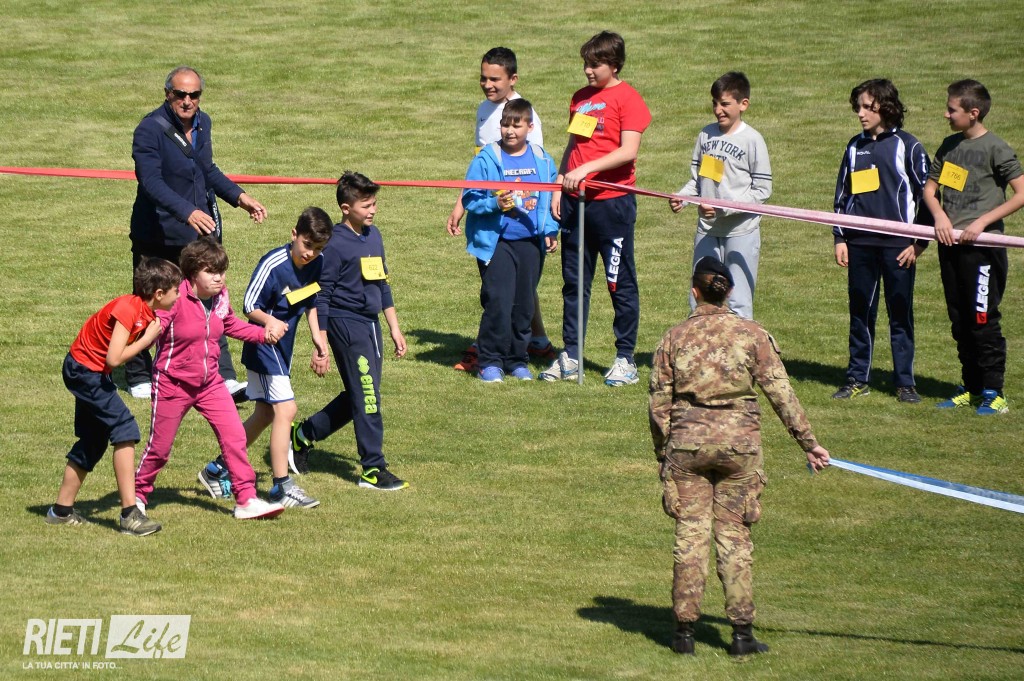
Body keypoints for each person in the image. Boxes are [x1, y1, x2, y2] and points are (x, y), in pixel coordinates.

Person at [648, 257, 830, 656]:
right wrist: (809, 443)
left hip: (687, 448)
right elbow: (781, 392)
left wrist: (664, 453)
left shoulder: (674, 338)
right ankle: (742, 634)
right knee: (734, 537)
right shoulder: (752, 335)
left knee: (690, 536)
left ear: (694, 291)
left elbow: (659, 405)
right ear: (729, 291)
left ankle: (684, 633)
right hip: (740, 448)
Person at [127, 65, 268, 401]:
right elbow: (151, 182)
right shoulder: (149, 130)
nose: (187, 101)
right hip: (156, 233)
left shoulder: (203, 123)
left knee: (210, 298)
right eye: (180, 94)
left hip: (196, 233)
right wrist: (187, 211)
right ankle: (138, 375)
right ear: (168, 94)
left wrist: (240, 197)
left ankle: (222, 375)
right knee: (148, 303)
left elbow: (207, 170)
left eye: (194, 95)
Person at [134, 237, 285, 521]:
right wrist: (131, 343)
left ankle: (246, 499)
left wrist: (263, 334)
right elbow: (153, 327)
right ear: (193, 273)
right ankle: (136, 497)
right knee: (159, 449)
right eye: (211, 272)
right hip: (172, 384)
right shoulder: (174, 298)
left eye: (222, 271)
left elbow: (228, 324)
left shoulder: (220, 296)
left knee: (235, 437)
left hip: (210, 383)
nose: (219, 278)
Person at [198, 208, 333, 508]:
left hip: (282, 349)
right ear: (294, 235)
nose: (310, 253)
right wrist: (269, 322)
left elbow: (311, 299)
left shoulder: (318, 262)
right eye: (307, 245)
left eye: (318, 248)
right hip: (262, 344)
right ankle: (281, 486)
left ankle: (217, 468)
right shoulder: (274, 264)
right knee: (287, 409)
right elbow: (248, 304)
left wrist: (318, 337)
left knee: (265, 414)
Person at [541, 31, 652, 386]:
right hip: (575, 203)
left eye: (595, 65)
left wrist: (586, 171)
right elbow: (574, 145)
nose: (588, 70)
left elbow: (628, 151)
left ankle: (625, 359)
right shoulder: (580, 98)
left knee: (618, 281)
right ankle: (571, 355)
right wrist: (559, 183)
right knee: (574, 282)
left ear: (614, 65)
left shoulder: (629, 99)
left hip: (612, 205)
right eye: (586, 64)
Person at [288, 173, 409, 490]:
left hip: (371, 324)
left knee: (363, 394)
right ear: (346, 208)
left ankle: (303, 434)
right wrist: (321, 342)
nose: (373, 210)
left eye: (374, 204)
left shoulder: (374, 236)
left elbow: (382, 284)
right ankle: (372, 468)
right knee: (367, 396)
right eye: (366, 205)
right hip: (346, 323)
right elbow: (322, 296)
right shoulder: (335, 245)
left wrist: (394, 327)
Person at [46, 258, 182, 536]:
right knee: (125, 429)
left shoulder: (147, 313)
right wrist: (146, 340)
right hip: (84, 371)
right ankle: (130, 514)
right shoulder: (128, 309)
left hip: (92, 372)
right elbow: (115, 358)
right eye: (176, 290)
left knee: (94, 440)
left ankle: (60, 511)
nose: (179, 295)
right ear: (159, 294)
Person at [446, 47, 555, 373]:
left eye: (495, 79)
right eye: (483, 78)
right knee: (498, 294)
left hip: (526, 227)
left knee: (521, 295)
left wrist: (548, 226)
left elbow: (539, 177)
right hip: (494, 223)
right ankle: (495, 352)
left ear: (513, 79)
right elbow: (479, 169)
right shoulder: (484, 110)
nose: (487, 84)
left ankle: (528, 345)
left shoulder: (526, 116)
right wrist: (461, 203)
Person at [921, 79, 1024, 415]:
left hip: (983, 250)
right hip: (950, 246)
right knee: (959, 319)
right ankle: (972, 387)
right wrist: (939, 216)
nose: (946, 114)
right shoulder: (949, 146)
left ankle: (995, 391)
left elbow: (1021, 193)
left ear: (973, 112)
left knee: (982, 317)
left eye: (952, 110)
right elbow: (929, 190)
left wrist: (981, 223)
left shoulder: (996, 148)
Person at [830, 79, 931, 404]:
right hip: (860, 243)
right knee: (861, 312)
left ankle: (905, 383)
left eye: (867, 107)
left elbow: (929, 197)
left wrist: (919, 243)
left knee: (900, 313)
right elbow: (842, 195)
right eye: (858, 107)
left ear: (885, 108)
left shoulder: (909, 146)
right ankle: (857, 378)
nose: (860, 113)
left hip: (899, 247)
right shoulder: (854, 146)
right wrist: (840, 237)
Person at [461, 99, 559, 382]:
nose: (510, 131)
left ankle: (517, 360)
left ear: (530, 127)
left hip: (531, 242)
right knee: (499, 302)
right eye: (505, 125)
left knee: (524, 305)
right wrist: (494, 204)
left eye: (516, 125)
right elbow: (470, 198)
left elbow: (550, 200)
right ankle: (490, 361)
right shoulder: (487, 158)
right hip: (498, 242)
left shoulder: (542, 159)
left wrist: (550, 230)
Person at [669, 72, 772, 320]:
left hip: (741, 232)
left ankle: (740, 345)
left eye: (725, 104)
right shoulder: (706, 135)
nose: (718, 110)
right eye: (715, 103)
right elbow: (698, 180)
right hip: (707, 230)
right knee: (700, 298)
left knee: (738, 301)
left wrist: (724, 208)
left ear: (743, 104)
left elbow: (762, 190)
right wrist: (682, 197)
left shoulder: (753, 140)